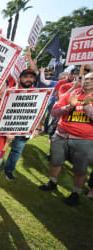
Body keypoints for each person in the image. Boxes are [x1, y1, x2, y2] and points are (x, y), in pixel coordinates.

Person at [39, 72, 93, 206]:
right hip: (61, 135)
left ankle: (75, 194)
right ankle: (52, 182)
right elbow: (53, 112)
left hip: (84, 140)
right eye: (86, 78)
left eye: (91, 79)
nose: (87, 81)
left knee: (80, 169)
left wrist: (87, 108)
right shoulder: (72, 94)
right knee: (55, 161)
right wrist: (68, 107)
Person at [3, 69, 41, 180]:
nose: (29, 79)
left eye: (31, 77)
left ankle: (8, 170)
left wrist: (37, 128)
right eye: (26, 77)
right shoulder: (10, 91)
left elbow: (39, 112)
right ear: (19, 79)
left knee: (16, 151)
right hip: (7, 126)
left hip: (25, 127)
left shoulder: (38, 93)